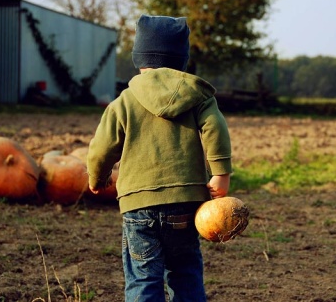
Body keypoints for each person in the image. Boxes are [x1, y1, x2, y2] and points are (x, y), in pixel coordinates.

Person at [87, 15, 232, 302]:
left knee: (143, 278)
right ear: (182, 59)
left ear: (138, 57)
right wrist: (221, 173)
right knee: (185, 272)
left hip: (138, 205)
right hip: (186, 203)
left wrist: (98, 178)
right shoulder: (198, 95)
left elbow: (101, 148)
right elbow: (216, 126)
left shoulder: (124, 101)